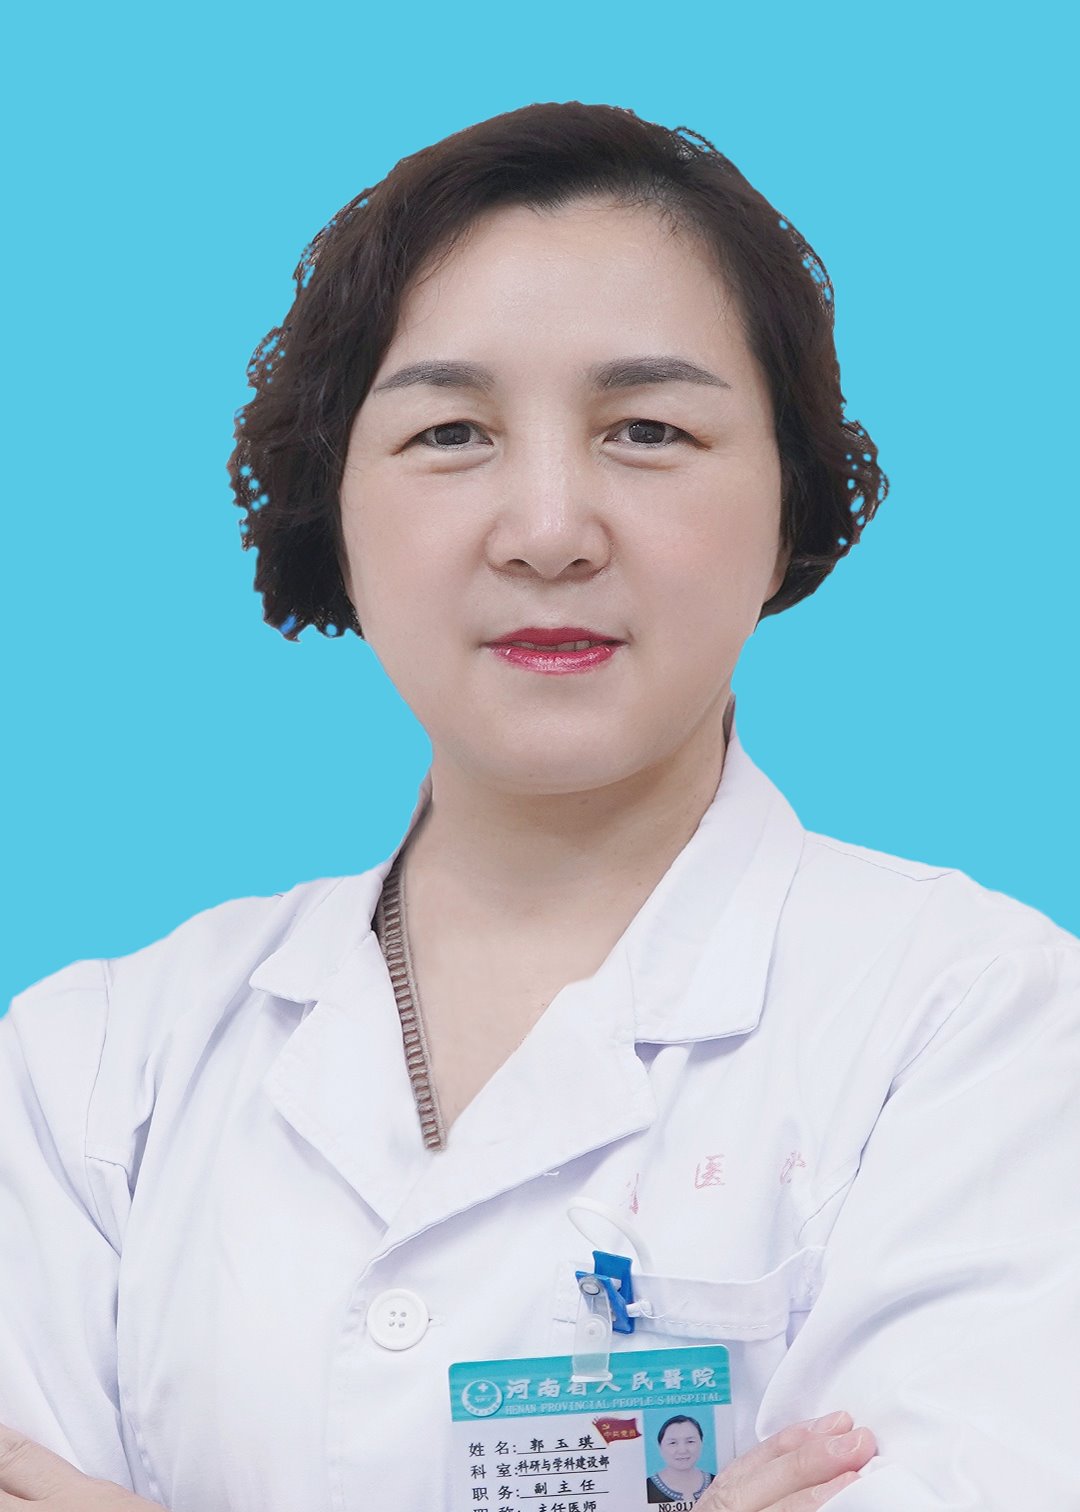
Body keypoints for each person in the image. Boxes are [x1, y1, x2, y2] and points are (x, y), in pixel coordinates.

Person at [1, 102, 1077, 1512]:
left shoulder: (979, 1023)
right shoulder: (94, 1075)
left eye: (648, 429)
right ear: (336, 507)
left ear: (788, 501)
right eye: (451, 432)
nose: (551, 530)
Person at [647, 1414, 715, 1503]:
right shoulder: (646, 1487)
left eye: (690, 1441)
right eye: (673, 1443)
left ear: (701, 1443)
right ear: (660, 1447)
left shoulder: (717, 1481)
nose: (682, 1450)